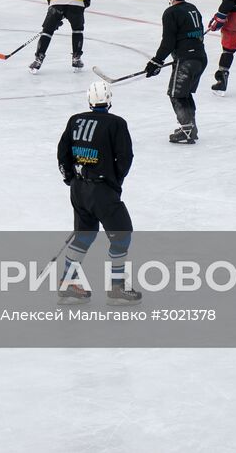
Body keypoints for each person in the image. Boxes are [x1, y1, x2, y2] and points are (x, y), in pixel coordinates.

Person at [55, 81, 138, 306]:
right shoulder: (117, 123)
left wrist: (70, 179)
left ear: (89, 100)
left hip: (79, 190)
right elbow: (125, 158)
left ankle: (68, 282)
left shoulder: (75, 120)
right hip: (102, 191)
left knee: (85, 234)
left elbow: (62, 153)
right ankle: (117, 287)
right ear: (109, 100)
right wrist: (115, 182)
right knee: (122, 234)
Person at [145, 0, 208, 144]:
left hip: (186, 60)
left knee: (176, 95)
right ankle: (190, 128)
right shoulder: (193, 8)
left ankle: (187, 129)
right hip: (200, 58)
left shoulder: (170, 12)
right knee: (185, 94)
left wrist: (156, 61)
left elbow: (168, 42)